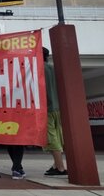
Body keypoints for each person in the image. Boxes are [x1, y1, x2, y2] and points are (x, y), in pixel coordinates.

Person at [42, 47, 67, 176]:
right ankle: (56, 164)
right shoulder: (52, 68)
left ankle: (60, 168)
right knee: (57, 136)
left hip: (47, 108)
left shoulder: (39, 69)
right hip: (57, 108)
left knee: (51, 138)